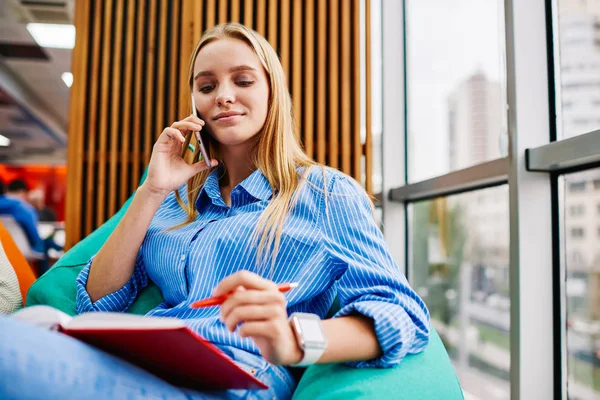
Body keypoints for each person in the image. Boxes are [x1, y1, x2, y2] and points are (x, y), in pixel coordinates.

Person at [0, 23, 429, 399]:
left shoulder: (325, 193)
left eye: (242, 80)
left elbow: (401, 313)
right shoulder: (175, 199)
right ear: (195, 104)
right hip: (138, 362)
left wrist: (294, 340)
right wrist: (151, 191)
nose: (224, 96)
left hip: (231, 380)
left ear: (271, 91)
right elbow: (93, 302)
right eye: (207, 87)